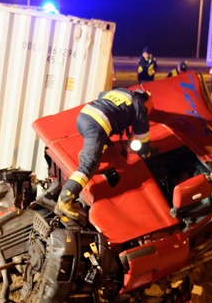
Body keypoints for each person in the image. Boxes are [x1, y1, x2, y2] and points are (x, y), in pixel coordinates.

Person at [55, 88, 153, 220]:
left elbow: (100, 96)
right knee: (90, 164)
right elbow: (142, 133)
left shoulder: (121, 92)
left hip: (84, 116)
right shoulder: (138, 103)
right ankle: (65, 197)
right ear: (146, 98)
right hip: (98, 125)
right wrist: (146, 153)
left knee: (103, 146)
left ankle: (90, 152)